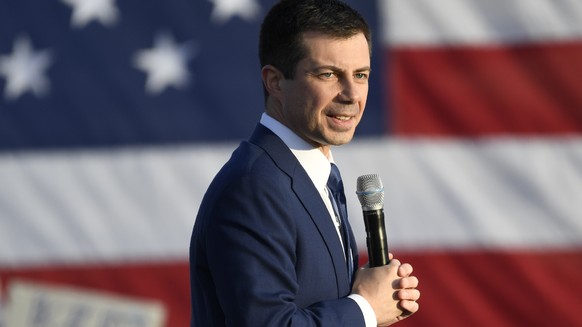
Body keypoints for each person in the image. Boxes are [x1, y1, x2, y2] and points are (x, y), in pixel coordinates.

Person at [189, 0, 420, 326]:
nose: (351, 94)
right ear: (274, 81)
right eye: (328, 74)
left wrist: (371, 294)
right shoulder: (254, 188)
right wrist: (365, 309)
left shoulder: (315, 174)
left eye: (361, 74)